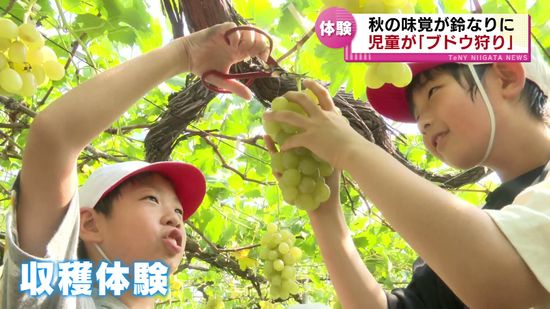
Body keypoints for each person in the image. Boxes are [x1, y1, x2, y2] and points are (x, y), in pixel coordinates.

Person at [1, 22, 269, 308]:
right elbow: (54, 138)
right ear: (90, 224)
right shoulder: (58, 297)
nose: (175, 218)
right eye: (151, 199)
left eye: (178, 210)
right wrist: (184, 54)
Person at [263, 45, 550, 308]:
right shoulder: (485, 229)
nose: (422, 123)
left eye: (433, 92)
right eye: (417, 114)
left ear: (506, 77)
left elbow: (500, 279)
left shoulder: (485, 241)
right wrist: (324, 211)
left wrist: (349, 148)